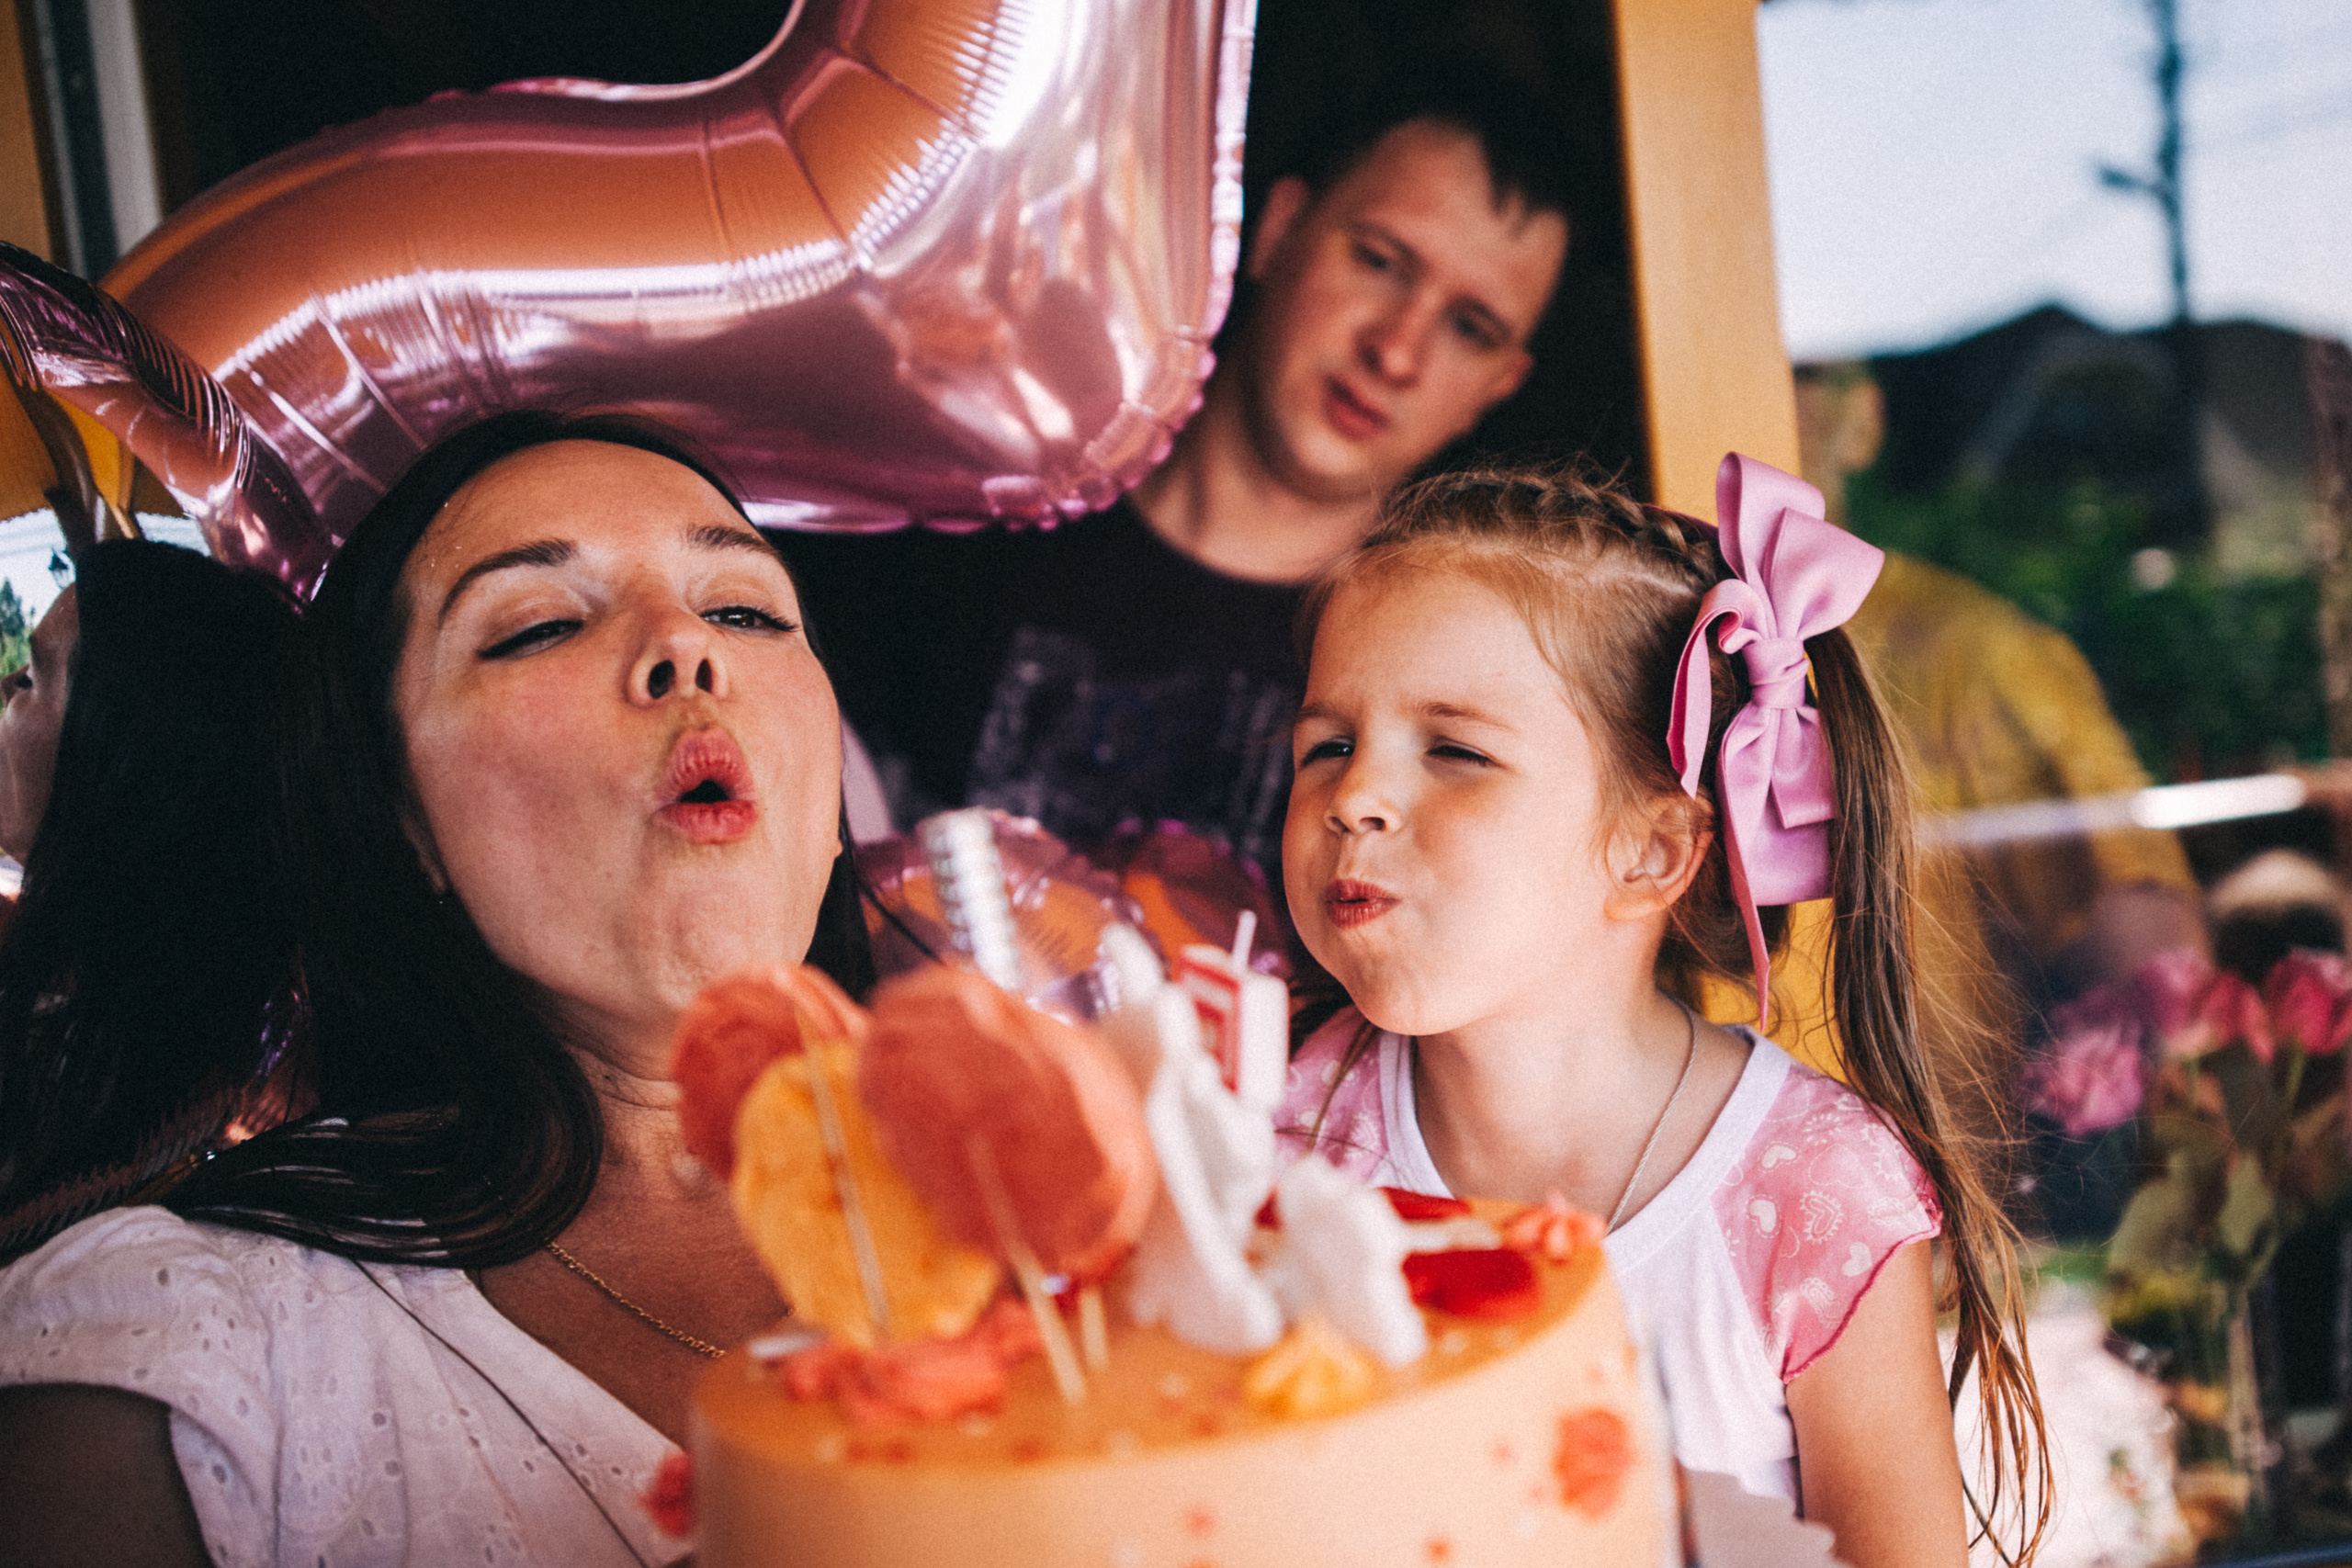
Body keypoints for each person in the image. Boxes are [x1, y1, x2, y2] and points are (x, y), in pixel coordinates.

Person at [0, 412, 871, 1567]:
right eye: (539, 626)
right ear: (398, 817)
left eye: (747, 610)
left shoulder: (1090, 1208)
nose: (684, 646)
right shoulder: (182, 1356)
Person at [1271, 461, 2044, 1568]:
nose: (1353, 798)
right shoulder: (1283, 1128)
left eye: (1454, 751)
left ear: (1651, 849)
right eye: (1326, 745)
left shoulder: (1808, 1195)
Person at [782, 64, 1572, 900]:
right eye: (1380, 261)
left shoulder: (1448, 690)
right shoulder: (973, 499)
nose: (1398, 349)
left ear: (1499, 385)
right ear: (1274, 230)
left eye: (1469, 326)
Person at [0, 542, 306, 1261]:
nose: (8, 689)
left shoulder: (62, 1087)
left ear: (124, 762)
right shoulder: (178, 1062)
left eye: (32, 674)